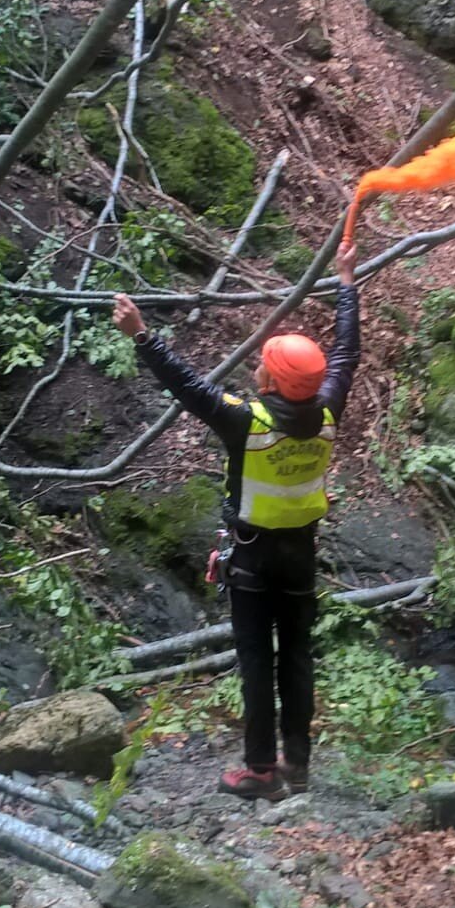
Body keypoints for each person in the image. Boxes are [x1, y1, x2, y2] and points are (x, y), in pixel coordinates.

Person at [112, 241, 360, 802]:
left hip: (252, 559)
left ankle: (260, 771)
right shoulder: (328, 411)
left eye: (263, 365)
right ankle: (297, 766)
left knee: (256, 661)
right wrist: (347, 282)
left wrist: (141, 335)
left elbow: (187, 387)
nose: (256, 368)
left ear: (271, 380)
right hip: (300, 554)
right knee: (296, 659)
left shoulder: (245, 422)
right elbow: (347, 354)